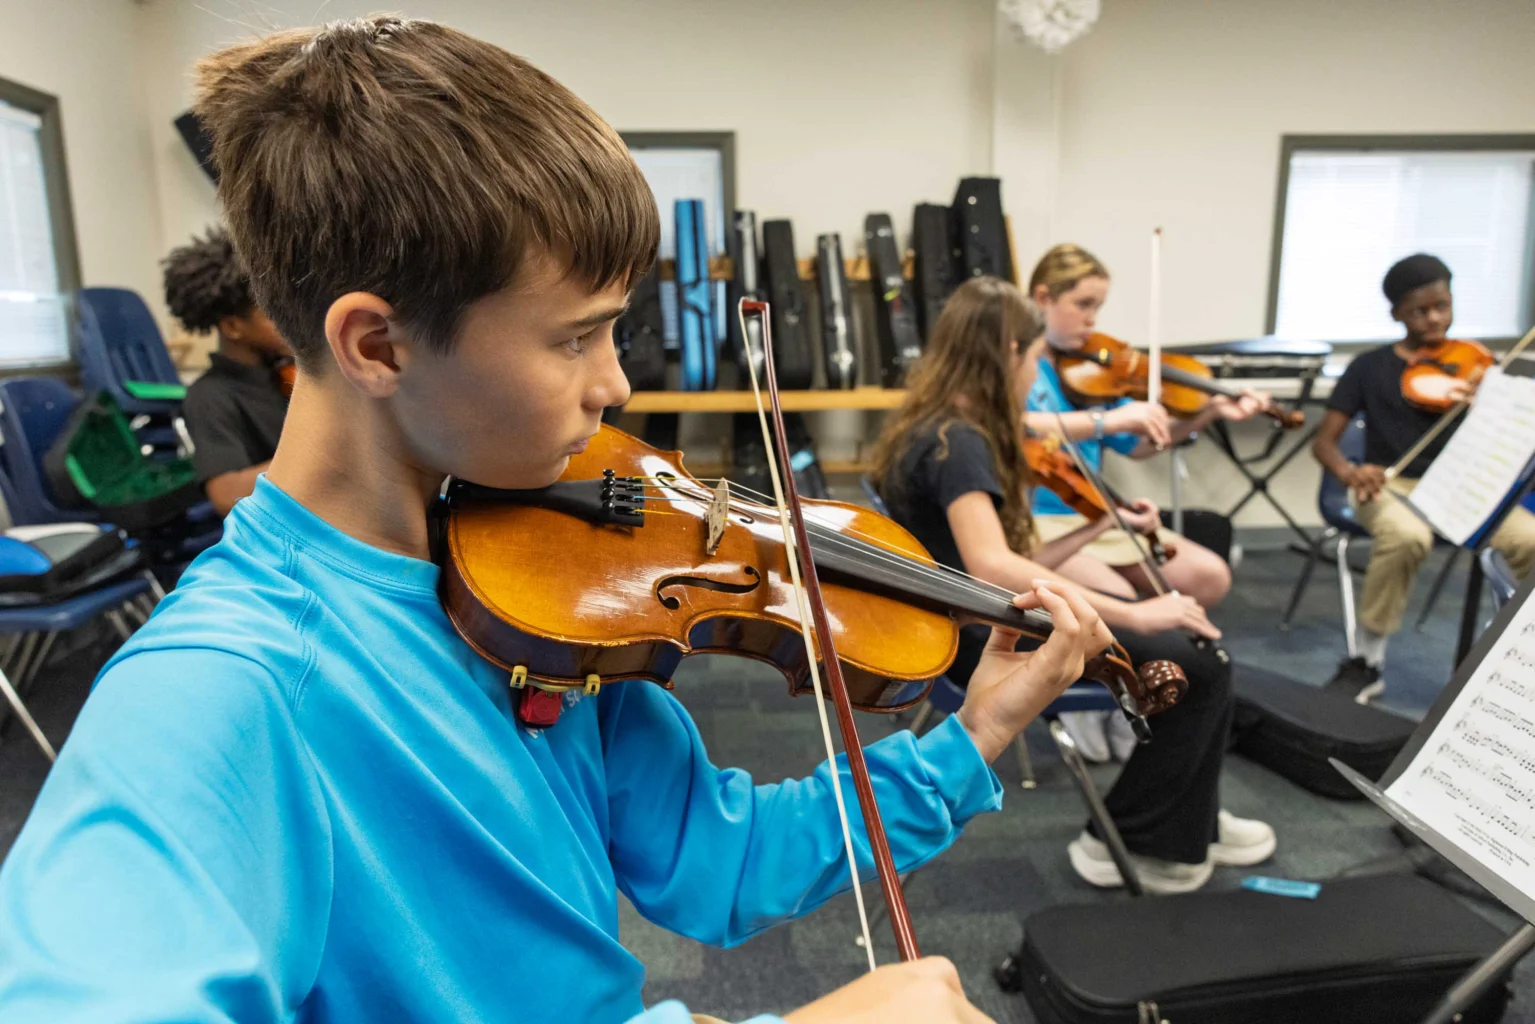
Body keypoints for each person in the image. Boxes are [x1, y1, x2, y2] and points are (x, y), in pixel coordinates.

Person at [0, 18, 1111, 1024]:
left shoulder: (540, 588)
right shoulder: (210, 695)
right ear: (376, 345)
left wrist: (974, 733)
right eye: (574, 337)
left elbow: (715, 865)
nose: (616, 385)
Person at [871, 275, 1276, 894]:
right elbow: (989, 567)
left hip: (979, 614)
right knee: (1199, 665)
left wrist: (1092, 529)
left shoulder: (939, 421)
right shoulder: (961, 444)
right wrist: (1138, 615)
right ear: (1008, 352)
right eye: (1034, 358)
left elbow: (1006, 555)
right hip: (985, 637)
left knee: (1193, 656)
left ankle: (1185, 811)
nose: (1036, 373)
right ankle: (1134, 840)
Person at [1313, 253, 1535, 703]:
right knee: (1406, 535)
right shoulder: (1369, 368)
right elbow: (1324, 443)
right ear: (1396, 313)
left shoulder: (1478, 366)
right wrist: (1351, 471)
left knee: (1531, 537)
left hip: (1462, 487)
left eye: (1443, 306)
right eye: (1420, 310)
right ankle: (1367, 659)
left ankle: (1521, 654)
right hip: (1390, 486)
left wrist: (1496, 401)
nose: (1435, 318)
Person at [1022, 243, 1278, 611]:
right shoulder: (1016, 362)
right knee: (1116, 598)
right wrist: (1105, 420)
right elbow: (1015, 426)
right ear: (1043, 297)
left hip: (1095, 512)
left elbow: (1139, 445)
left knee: (1209, 576)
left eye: (1098, 307)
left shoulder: (1093, 370)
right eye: (1083, 304)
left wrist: (1208, 412)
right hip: (1039, 521)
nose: (1092, 320)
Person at [162, 226, 293, 515]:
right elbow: (225, 494)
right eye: (272, 313)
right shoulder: (209, 397)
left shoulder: (289, 373)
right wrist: (321, 459)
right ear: (233, 327)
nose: (289, 322)